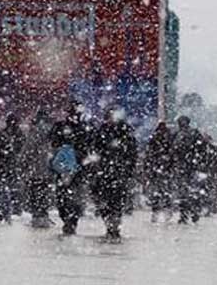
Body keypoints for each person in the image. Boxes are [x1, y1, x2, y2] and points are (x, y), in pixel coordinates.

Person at [92, 109, 138, 241]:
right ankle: (111, 226)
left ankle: (113, 227)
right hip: (108, 173)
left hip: (115, 173)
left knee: (114, 201)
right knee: (108, 201)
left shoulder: (122, 132)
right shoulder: (104, 132)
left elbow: (132, 153)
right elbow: (95, 150)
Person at [49, 101, 93, 235]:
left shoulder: (83, 128)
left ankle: (70, 221)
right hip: (69, 169)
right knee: (68, 197)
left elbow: (53, 144)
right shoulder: (81, 128)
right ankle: (70, 220)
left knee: (68, 197)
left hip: (70, 169)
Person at [21, 111, 54, 228]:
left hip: (35, 170)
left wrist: (23, 162)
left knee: (35, 194)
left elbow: (27, 151)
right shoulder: (51, 132)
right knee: (44, 193)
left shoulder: (34, 133)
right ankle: (44, 216)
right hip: (48, 170)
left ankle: (37, 217)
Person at [171, 115, 207, 224]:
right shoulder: (193, 133)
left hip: (185, 167)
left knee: (185, 192)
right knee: (191, 191)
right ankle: (192, 213)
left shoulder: (179, 135)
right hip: (190, 166)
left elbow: (172, 150)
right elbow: (202, 149)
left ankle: (186, 214)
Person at [143, 122, 174, 222]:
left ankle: (157, 212)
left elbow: (148, 154)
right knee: (164, 191)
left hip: (157, 169)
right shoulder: (169, 138)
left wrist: (148, 166)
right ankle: (165, 210)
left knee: (157, 192)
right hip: (163, 169)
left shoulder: (154, 138)